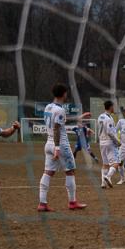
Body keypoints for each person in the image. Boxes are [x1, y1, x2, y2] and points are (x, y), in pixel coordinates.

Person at [38, 83, 87, 212]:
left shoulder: (48, 107)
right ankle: (72, 202)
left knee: (48, 172)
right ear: (64, 93)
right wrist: (58, 147)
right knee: (70, 171)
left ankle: (42, 203)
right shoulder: (60, 110)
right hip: (60, 145)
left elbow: (60, 121)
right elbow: (57, 128)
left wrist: (77, 118)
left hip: (48, 144)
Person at [97, 101, 121, 187]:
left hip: (101, 142)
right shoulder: (108, 118)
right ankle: (108, 176)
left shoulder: (100, 116)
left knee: (105, 164)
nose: (114, 108)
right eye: (113, 106)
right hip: (109, 142)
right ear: (110, 107)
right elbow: (110, 133)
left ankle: (103, 183)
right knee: (116, 162)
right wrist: (117, 142)